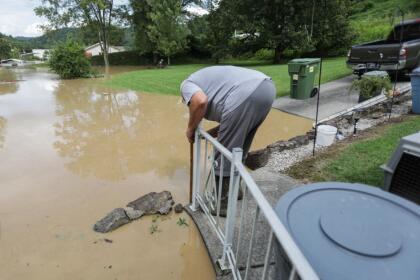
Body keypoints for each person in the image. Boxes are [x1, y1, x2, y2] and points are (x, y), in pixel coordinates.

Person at [180, 66, 276, 216]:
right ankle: (235, 192)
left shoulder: (186, 85)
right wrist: (208, 134)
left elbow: (199, 102)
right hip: (266, 89)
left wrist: (190, 129)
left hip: (244, 93)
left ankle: (221, 206)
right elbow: (230, 123)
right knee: (239, 149)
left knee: (223, 155)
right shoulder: (207, 82)